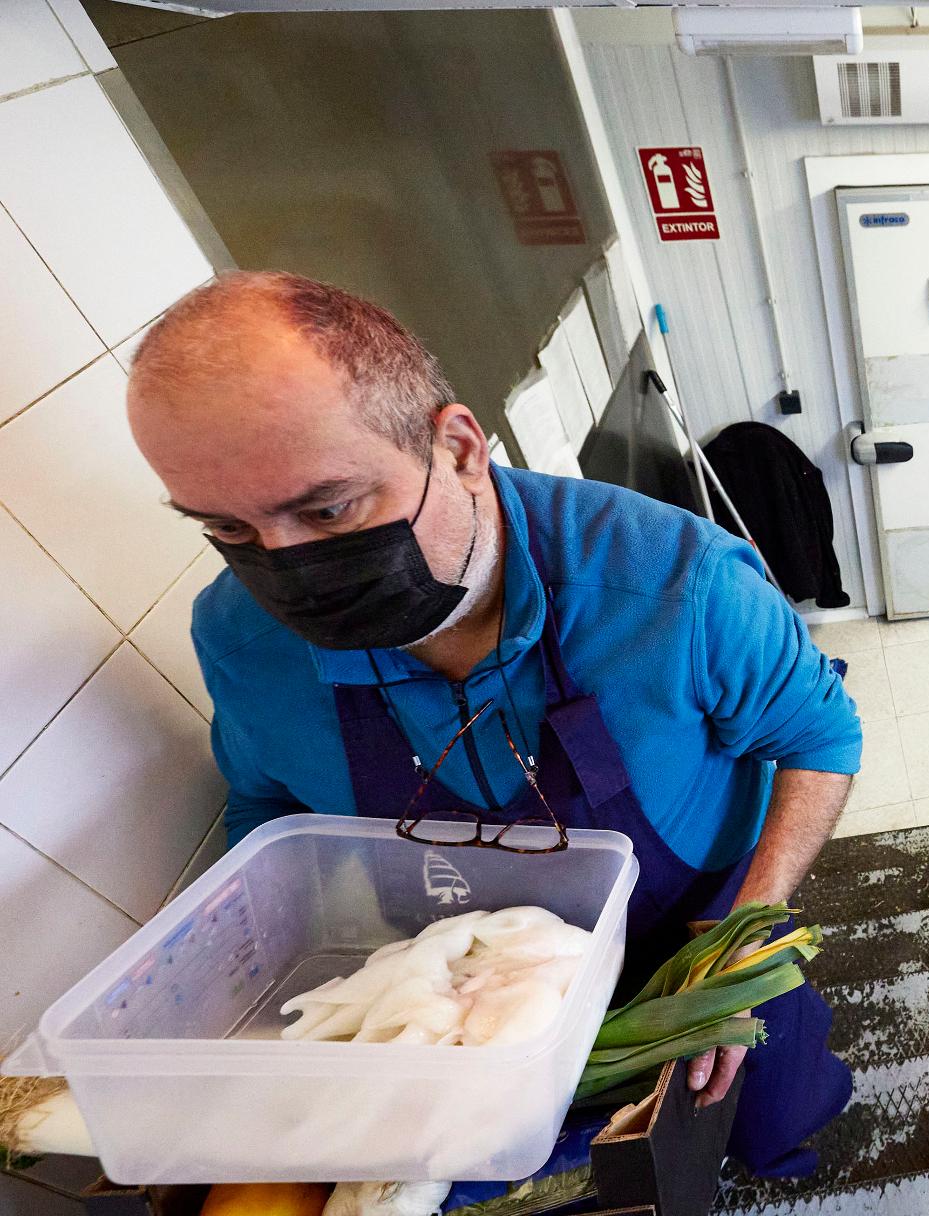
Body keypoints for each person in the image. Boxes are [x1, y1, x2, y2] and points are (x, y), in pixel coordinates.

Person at [124, 272, 858, 1177]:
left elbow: (820, 738)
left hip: (692, 944)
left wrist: (746, 935)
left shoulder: (673, 584)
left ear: (461, 448)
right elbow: (268, 803)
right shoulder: (242, 640)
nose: (287, 569)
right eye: (230, 531)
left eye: (327, 509)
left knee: (765, 1119)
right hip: (464, 985)